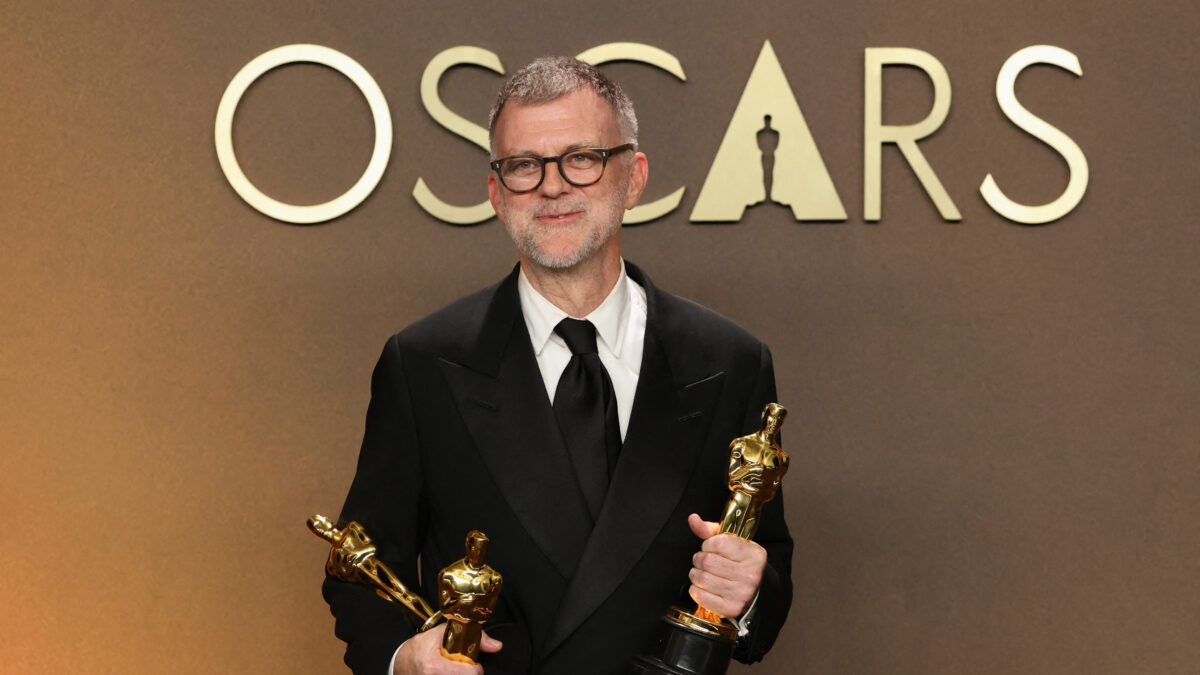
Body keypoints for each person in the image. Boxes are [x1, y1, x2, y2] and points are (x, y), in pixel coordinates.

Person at [322, 56, 792, 675]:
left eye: (582, 158)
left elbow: (767, 568)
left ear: (633, 178)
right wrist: (403, 658)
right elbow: (359, 567)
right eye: (524, 165)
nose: (552, 186)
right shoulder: (423, 364)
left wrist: (749, 592)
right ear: (497, 194)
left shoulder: (729, 361)